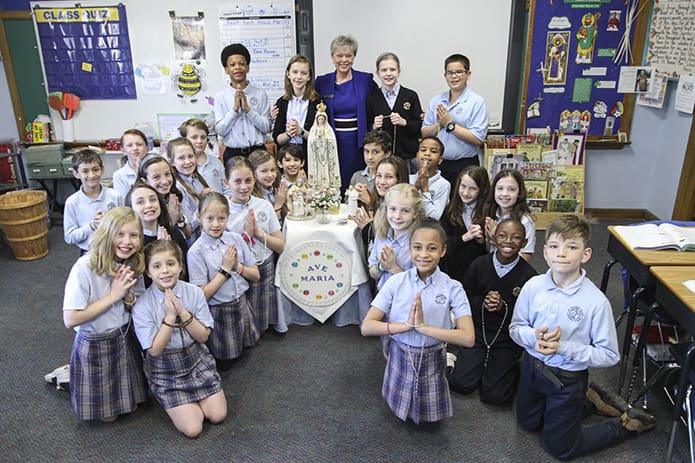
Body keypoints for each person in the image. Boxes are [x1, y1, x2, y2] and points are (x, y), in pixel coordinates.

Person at [509, 215, 656, 460]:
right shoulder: (533, 286)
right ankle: (589, 401)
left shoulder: (595, 302)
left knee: (560, 449)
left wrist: (563, 348)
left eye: (572, 247)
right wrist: (532, 335)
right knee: (529, 424)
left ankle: (627, 424)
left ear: (586, 254)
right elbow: (515, 328)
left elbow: (609, 354)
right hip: (532, 370)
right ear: (545, 252)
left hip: (567, 380)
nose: (561, 253)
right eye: (554, 246)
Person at [361, 219, 475, 424]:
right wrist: (404, 327)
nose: (423, 254)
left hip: (432, 353)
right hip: (400, 350)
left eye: (432, 248)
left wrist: (424, 328)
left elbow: (468, 338)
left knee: (428, 409)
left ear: (443, 250)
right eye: (417, 247)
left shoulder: (453, 287)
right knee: (398, 403)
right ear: (410, 248)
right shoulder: (396, 282)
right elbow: (367, 327)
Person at [132, 240, 227, 438]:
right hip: (166, 369)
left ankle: (197, 401)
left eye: (170, 264)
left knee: (218, 415)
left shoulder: (193, 292)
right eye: (157, 266)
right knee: (193, 429)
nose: (165, 271)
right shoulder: (142, 305)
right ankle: (179, 402)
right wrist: (169, 316)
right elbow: (155, 351)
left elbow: (203, 336)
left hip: (196, 360)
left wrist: (182, 312)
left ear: (180, 266)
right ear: (148, 272)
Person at [62, 206, 148, 422]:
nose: (127, 241)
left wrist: (128, 296)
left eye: (133, 235)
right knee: (109, 417)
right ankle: (65, 378)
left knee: (133, 406)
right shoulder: (84, 267)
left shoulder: (132, 262)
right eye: (120, 234)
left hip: (123, 338)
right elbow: (70, 319)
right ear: (106, 233)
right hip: (95, 342)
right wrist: (113, 295)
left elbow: (136, 303)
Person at [448, 218, 537, 405]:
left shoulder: (530, 277)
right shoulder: (479, 265)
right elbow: (463, 299)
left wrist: (503, 307)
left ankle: (509, 368)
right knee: (460, 384)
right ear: (493, 239)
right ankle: (458, 359)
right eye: (502, 236)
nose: (508, 241)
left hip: (507, 338)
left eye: (516, 237)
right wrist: (483, 302)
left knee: (497, 396)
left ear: (524, 243)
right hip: (478, 332)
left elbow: (530, 316)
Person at [187, 192, 260, 369]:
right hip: (219, 311)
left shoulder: (234, 238)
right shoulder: (196, 252)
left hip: (242, 303)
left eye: (221, 218)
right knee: (227, 362)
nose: (216, 224)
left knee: (247, 353)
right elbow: (201, 294)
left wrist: (237, 267)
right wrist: (225, 270)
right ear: (199, 217)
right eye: (210, 218)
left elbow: (256, 275)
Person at [224, 156, 285, 333]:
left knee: (261, 313)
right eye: (237, 181)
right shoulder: (223, 210)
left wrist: (258, 233)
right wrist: (245, 237)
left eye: (248, 180)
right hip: (237, 269)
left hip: (263, 264)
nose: (244, 187)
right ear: (226, 182)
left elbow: (280, 246)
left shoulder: (264, 206)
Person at [315, 35, 379, 192]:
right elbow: (309, 104)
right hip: (332, 143)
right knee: (335, 185)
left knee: (357, 186)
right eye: (339, 55)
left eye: (348, 56)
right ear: (332, 57)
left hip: (358, 143)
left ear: (354, 57)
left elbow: (379, 102)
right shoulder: (322, 82)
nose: (344, 60)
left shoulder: (365, 80)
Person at [421, 54, 488, 186]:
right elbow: (424, 133)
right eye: (450, 73)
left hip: (465, 165)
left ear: (468, 74)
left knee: (463, 204)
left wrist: (450, 125)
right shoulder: (437, 100)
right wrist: (439, 124)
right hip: (438, 164)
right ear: (445, 76)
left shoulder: (477, 102)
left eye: (459, 72)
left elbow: (478, 138)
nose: (454, 76)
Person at [214, 43, 271, 166]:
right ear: (226, 69)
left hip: (258, 152)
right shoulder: (220, 97)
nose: (237, 68)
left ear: (248, 67)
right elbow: (220, 130)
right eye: (232, 65)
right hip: (233, 153)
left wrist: (248, 110)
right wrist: (234, 110)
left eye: (241, 64)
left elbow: (267, 127)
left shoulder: (260, 94)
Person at [366, 52, 423, 170]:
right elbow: (366, 129)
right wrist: (373, 126)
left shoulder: (410, 96)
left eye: (392, 69)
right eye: (384, 70)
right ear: (377, 73)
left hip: (407, 156)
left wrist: (404, 122)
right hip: (381, 159)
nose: (388, 74)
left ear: (398, 71)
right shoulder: (372, 99)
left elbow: (419, 127)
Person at [125, 181, 189, 286]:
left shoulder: (174, 233)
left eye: (153, 200)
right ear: (130, 208)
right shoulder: (131, 242)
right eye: (140, 202)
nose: (149, 205)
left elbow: (185, 274)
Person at [64, 149, 122, 254]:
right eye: (85, 171)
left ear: (102, 169)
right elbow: (69, 237)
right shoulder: (72, 202)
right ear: (76, 173)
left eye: (95, 169)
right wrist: (92, 226)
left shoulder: (115, 196)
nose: (91, 175)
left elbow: (123, 224)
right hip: (88, 252)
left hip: (114, 249)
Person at [368, 183, 424, 291]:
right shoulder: (381, 235)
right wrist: (382, 267)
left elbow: (418, 285)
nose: (397, 216)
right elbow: (372, 273)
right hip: (383, 297)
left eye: (405, 211)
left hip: (407, 301)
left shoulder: (418, 242)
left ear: (415, 214)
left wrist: (393, 267)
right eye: (393, 209)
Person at [440, 166, 489, 283]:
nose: (466, 193)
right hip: (454, 270)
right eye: (463, 187)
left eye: (473, 188)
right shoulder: (450, 211)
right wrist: (464, 237)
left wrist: (483, 241)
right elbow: (444, 244)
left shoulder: (489, 211)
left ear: (482, 189)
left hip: (480, 270)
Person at [271, 54, 321, 157]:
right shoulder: (281, 102)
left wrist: (301, 132)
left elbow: (321, 139)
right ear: (288, 74)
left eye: (303, 73)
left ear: (309, 77)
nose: (298, 77)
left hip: (310, 155)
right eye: (295, 72)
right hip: (287, 155)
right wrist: (288, 133)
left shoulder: (318, 103)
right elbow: (277, 139)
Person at [484, 169, 535, 261]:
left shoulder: (525, 221)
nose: (504, 194)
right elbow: (489, 251)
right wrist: (488, 238)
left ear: (519, 193)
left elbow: (525, 259)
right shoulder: (491, 214)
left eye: (511, 189)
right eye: (500, 188)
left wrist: (496, 236)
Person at [168, 137, 213, 243]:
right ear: (172, 162)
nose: (187, 161)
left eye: (190, 156)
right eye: (181, 158)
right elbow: (188, 228)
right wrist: (203, 203)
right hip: (193, 243)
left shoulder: (197, 179)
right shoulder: (178, 188)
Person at [137, 154, 191, 240]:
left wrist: (180, 220)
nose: (165, 181)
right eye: (156, 177)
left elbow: (188, 235)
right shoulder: (146, 207)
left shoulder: (173, 197)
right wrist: (171, 221)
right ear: (145, 181)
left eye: (167, 174)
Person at [179, 118, 228, 195]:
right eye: (194, 137)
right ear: (185, 139)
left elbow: (227, 189)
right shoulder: (184, 166)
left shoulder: (216, 162)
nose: (199, 141)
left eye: (203, 137)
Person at [409, 137, 451, 220]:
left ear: (440, 160)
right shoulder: (408, 179)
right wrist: (415, 188)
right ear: (417, 156)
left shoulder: (444, 185)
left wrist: (425, 190)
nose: (427, 153)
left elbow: (434, 217)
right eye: (423, 150)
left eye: (433, 151)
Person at [349, 130, 392, 206]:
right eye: (366, 151)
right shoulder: (357, 176)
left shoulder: (389, 180)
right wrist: (353, 195)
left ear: (387, 154)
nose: (370, 157)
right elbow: (348, 205)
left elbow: (388, 211)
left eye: (375, 152)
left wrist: (369, 201)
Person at [307, 103, 341, 189]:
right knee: (318, 172)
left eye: (322, 119)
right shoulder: (313, 130)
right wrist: (317, 138)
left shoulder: (328, 130)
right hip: (317, 155)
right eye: (319, 119)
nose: (321, 121)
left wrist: (325, 138)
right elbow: (310, 140)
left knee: (326, 171)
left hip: (326, 155)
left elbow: (332, 141)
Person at [249, 149, 288, 221]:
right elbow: (268, 226)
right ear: (253, 173)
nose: (270, 175)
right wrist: (278, 205)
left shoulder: (277, 188)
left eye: (273, 170)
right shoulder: (252, 199)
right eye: (264, 171)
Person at [113, 128, 149, 197]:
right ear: (123, 150)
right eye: (130, 145)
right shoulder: (119, 176)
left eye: (139, 144)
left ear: (147, 148)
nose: (135, 148)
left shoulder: (154, 170)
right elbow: (124, 203)